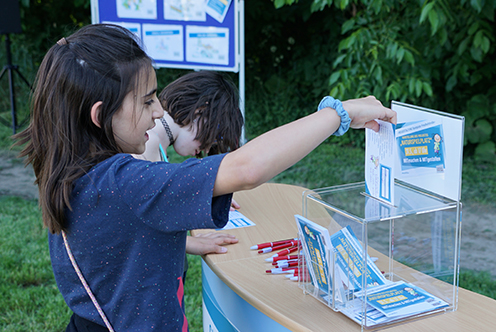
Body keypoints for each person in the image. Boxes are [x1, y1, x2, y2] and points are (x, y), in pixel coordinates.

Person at [14, 24, 396, 332]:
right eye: (147, 101)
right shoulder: (123, 182)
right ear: (100, 116)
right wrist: (339, 114)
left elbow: (122, 246)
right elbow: (247, 169)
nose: (159, 110)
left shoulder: (71, 167)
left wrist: (184, 243)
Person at [134, 71, 244, 282]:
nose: (208, 147)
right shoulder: (147, 145)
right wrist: (192, 243)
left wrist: (203, 195)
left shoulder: (156, 143)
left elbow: (157, 199)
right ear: (200, 111)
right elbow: (140, 225)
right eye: (214, 136)